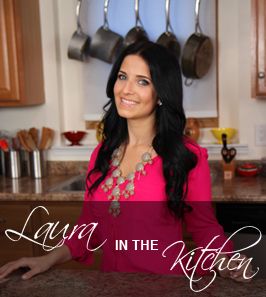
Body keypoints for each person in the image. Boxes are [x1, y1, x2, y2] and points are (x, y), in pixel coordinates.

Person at [0, 41, 253, 282]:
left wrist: (227, 261)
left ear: (161, 93)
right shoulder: (103, 152)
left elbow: (204, 228)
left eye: (142, 81)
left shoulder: (185, 156)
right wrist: (47, 259)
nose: (126, 90)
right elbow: (88, 226)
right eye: (122, 77)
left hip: (165, 287)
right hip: (111, 285)